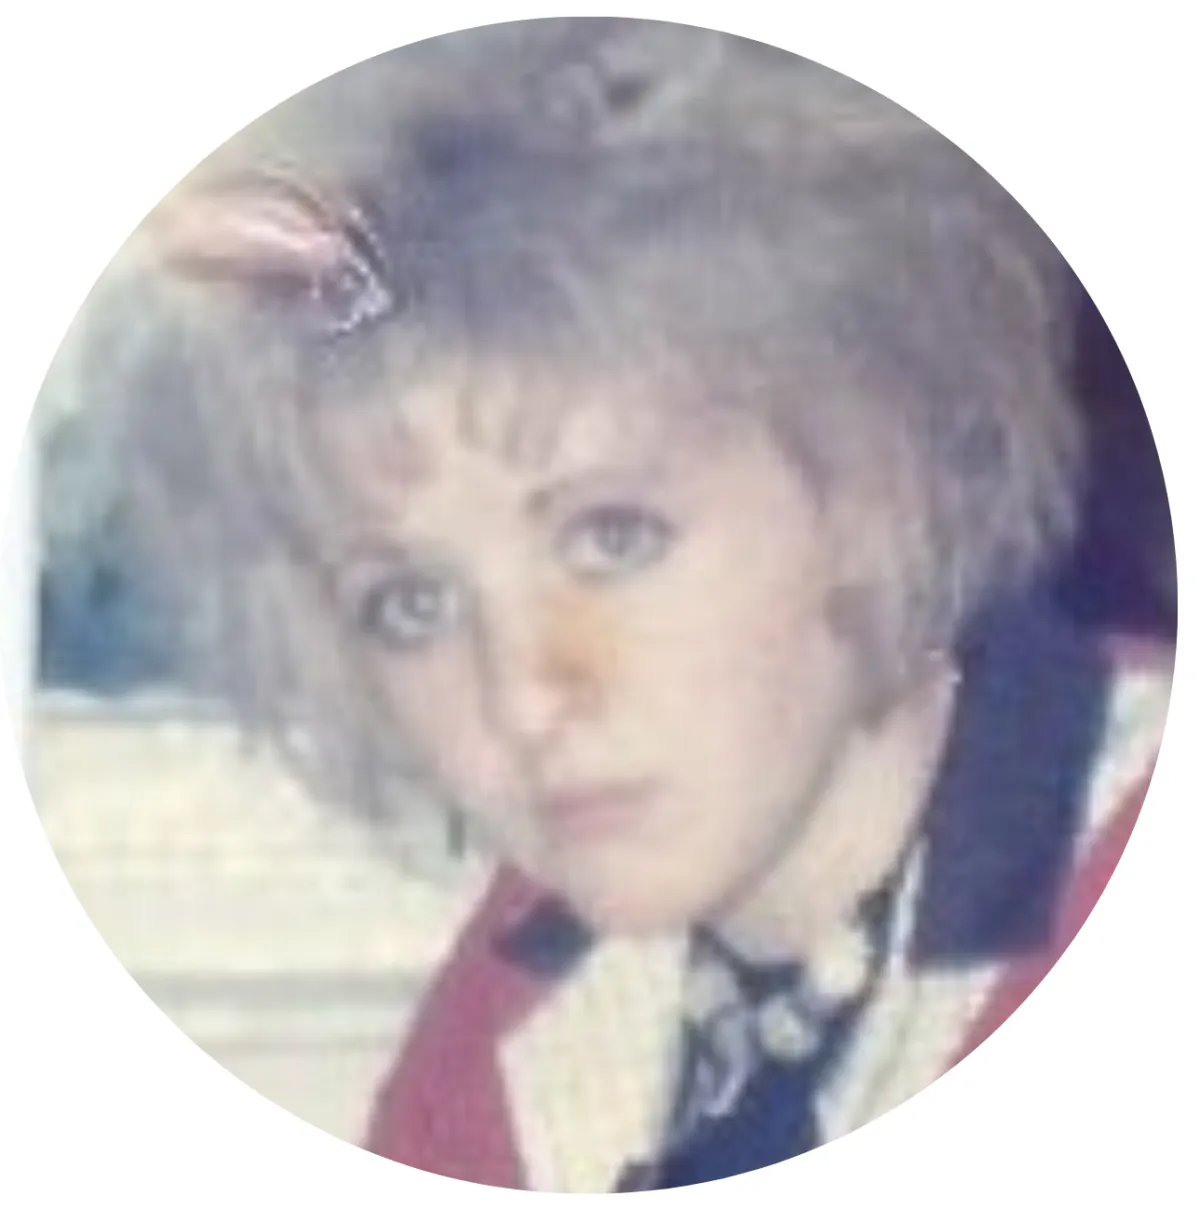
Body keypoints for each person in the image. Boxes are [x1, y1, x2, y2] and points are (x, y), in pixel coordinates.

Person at [92, 18, 1170, 1191]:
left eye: (612, 537)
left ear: (877, 484)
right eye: (410, 604)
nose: (525, 696)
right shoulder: (525, 998)